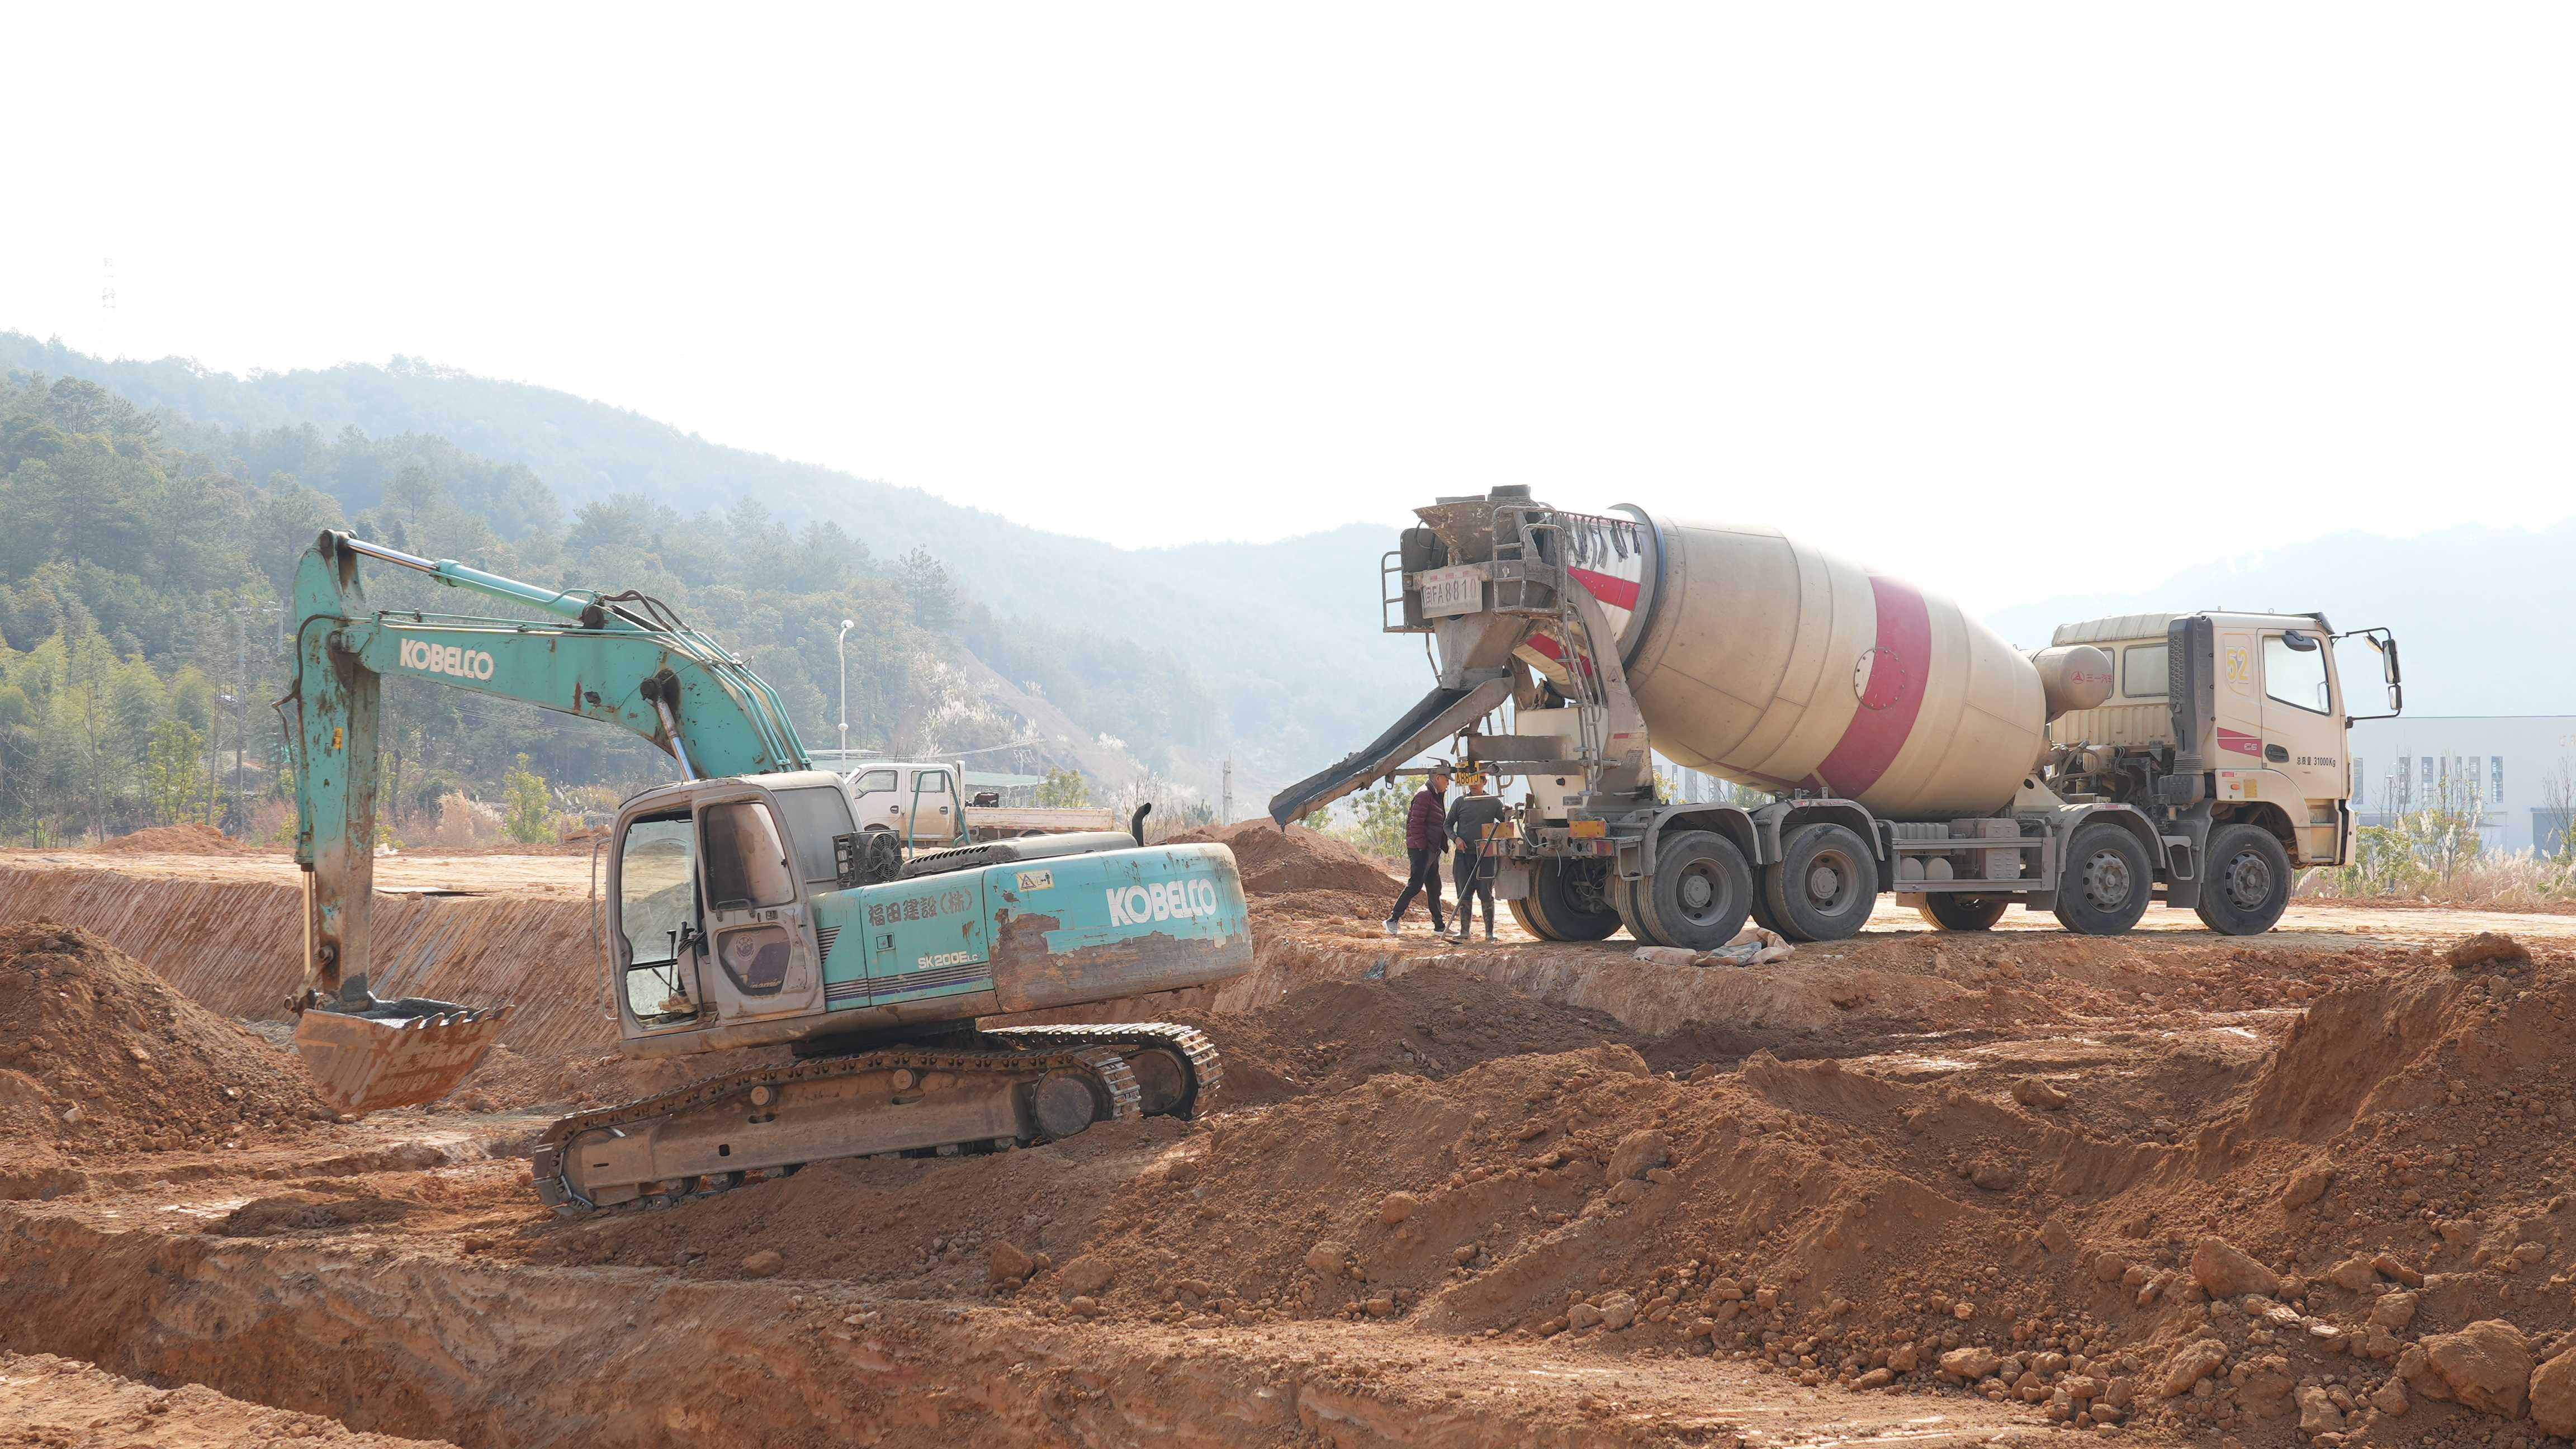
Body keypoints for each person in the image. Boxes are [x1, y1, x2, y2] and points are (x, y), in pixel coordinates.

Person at [1384, 764, 1451, 935]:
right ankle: (1393, 920)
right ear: (1438, 778)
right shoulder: (1424, 795)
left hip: (1432, 849)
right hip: (1422, 850)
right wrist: (1423, 847)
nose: (1448, 784)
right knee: (1415, 885)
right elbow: (1415, 824)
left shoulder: (1435, 795)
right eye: (1447, 780)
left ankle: (1439, 927)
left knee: (1434, 888)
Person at [1445, 770, 1508, 942]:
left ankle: (1489, 933)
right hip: (1463, 856)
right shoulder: (1460, 802)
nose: (1473, 785)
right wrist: (1456, 839)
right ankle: (1465, 931)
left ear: (1484, 782)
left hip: (1486, 856)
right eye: (1470, 781)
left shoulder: (1493, 802)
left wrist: (1508, 813)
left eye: (1477, 781)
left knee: (1486, 893)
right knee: (1464, 894)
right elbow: (1447, 826)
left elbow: (1505, 824)